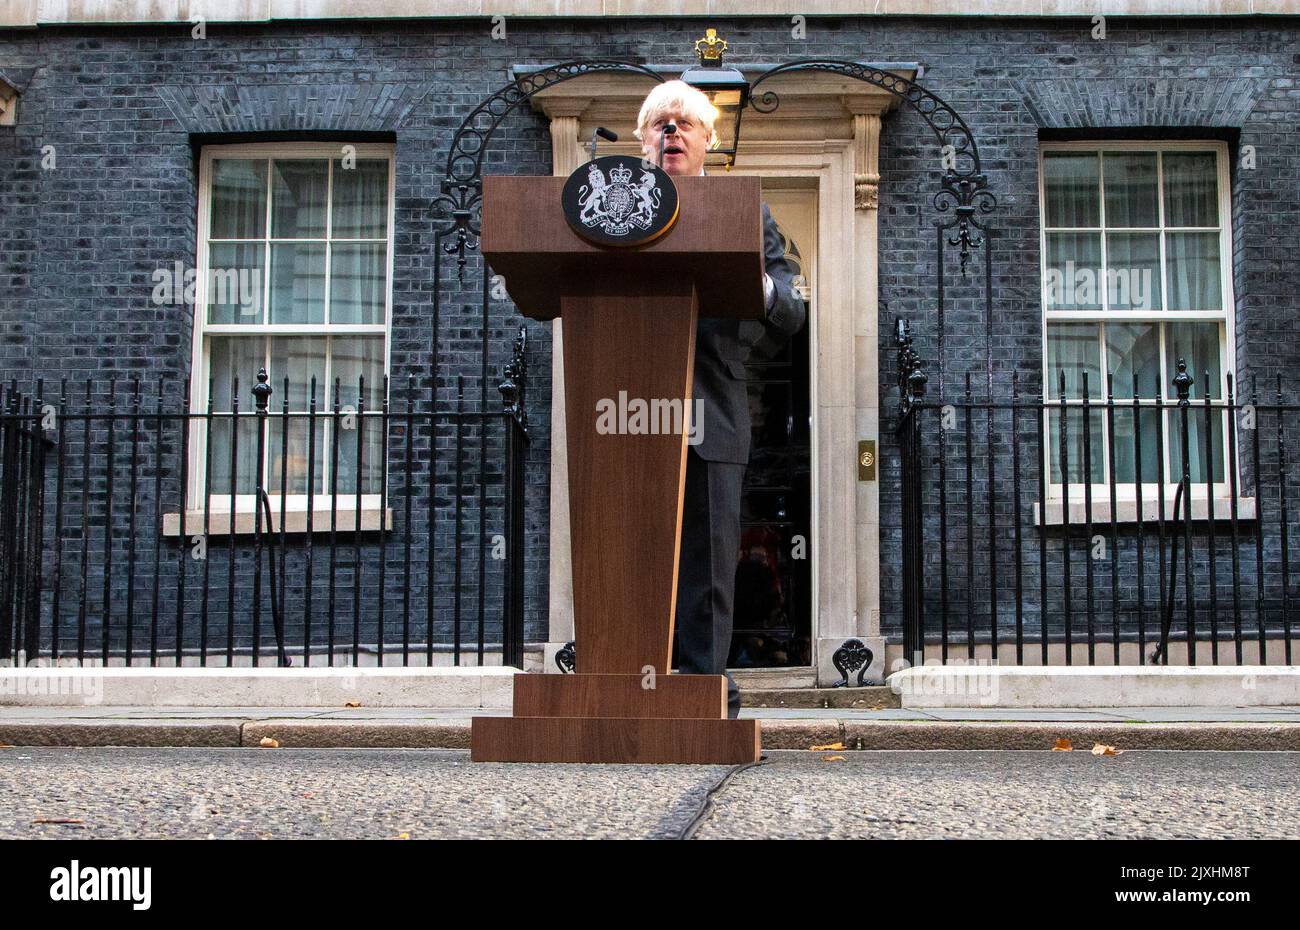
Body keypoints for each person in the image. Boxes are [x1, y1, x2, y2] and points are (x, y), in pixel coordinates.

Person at [633, 80, 807, 719]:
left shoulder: (746, 213)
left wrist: (752, 282)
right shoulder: (612, 207)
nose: (671, 133)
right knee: (633, 556)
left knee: (708, 564)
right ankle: (637, 683)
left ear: (710, 141)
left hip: (714, 408)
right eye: (659, 124)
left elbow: (790, 310)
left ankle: (702, 691)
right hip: (623, 409)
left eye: (684, 124)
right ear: (642, 140)